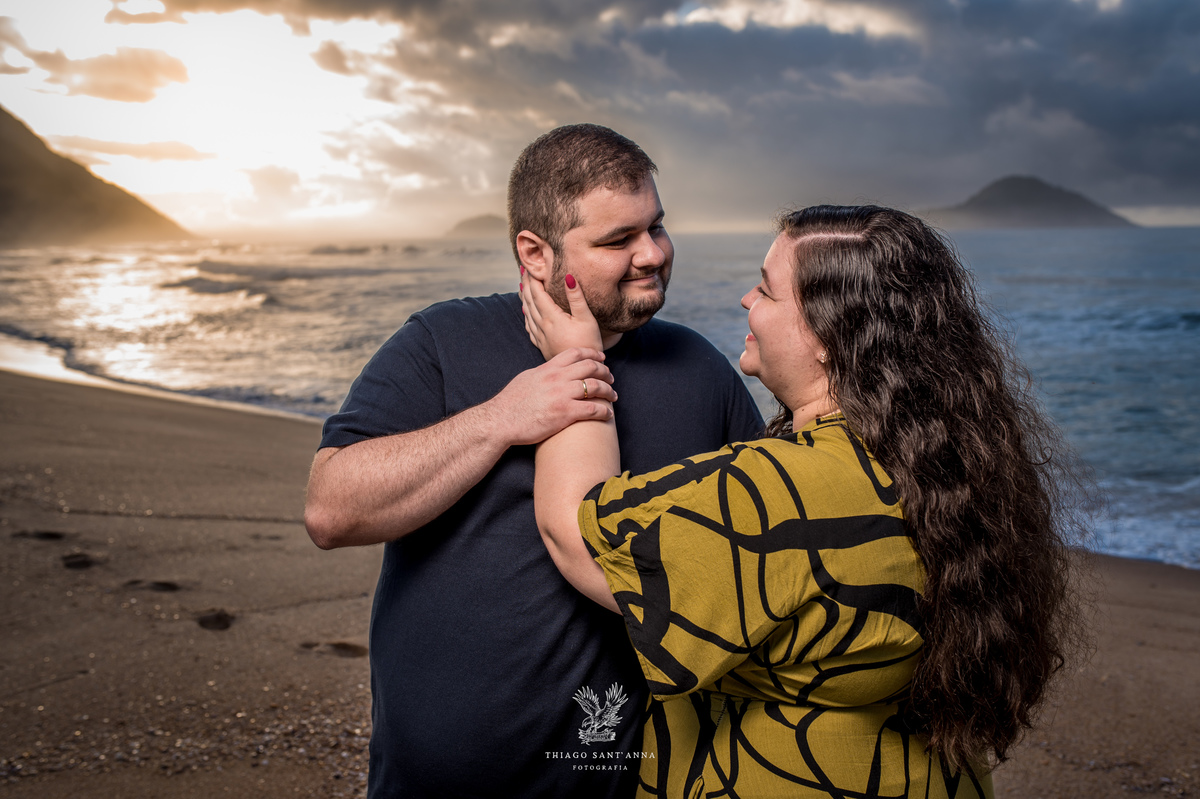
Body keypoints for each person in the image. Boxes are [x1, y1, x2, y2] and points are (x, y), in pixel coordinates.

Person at [521, 204, 1084, 797]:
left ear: (827, 337)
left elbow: (575, 532)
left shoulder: (780, 490)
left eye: (766, 290)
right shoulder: (951, 466)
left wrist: (575, 361)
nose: (746, 299)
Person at [304, 124, 763, 798]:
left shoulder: (698, 367)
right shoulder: (443, 340)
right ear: (535, 252)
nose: (652, 254)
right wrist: (499, 419)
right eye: (617, 240)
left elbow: (765, 548)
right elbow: (330, 509)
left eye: (656, 227)